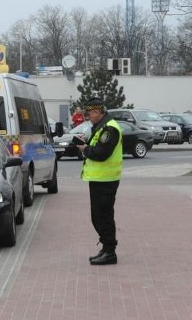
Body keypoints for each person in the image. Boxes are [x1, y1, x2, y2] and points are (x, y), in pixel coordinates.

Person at [76, 98, 122, 266]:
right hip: (99, 179)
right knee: (98, 216)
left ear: (96, 112)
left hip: (106, 180)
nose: (88, 118)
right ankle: (106, 247)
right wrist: (86, 143)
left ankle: (110, 252)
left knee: (103, 217)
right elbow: (98, 147)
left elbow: (102, 153)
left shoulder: (110, 129)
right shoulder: (102, 127)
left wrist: (85, 149)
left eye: (88, 115)